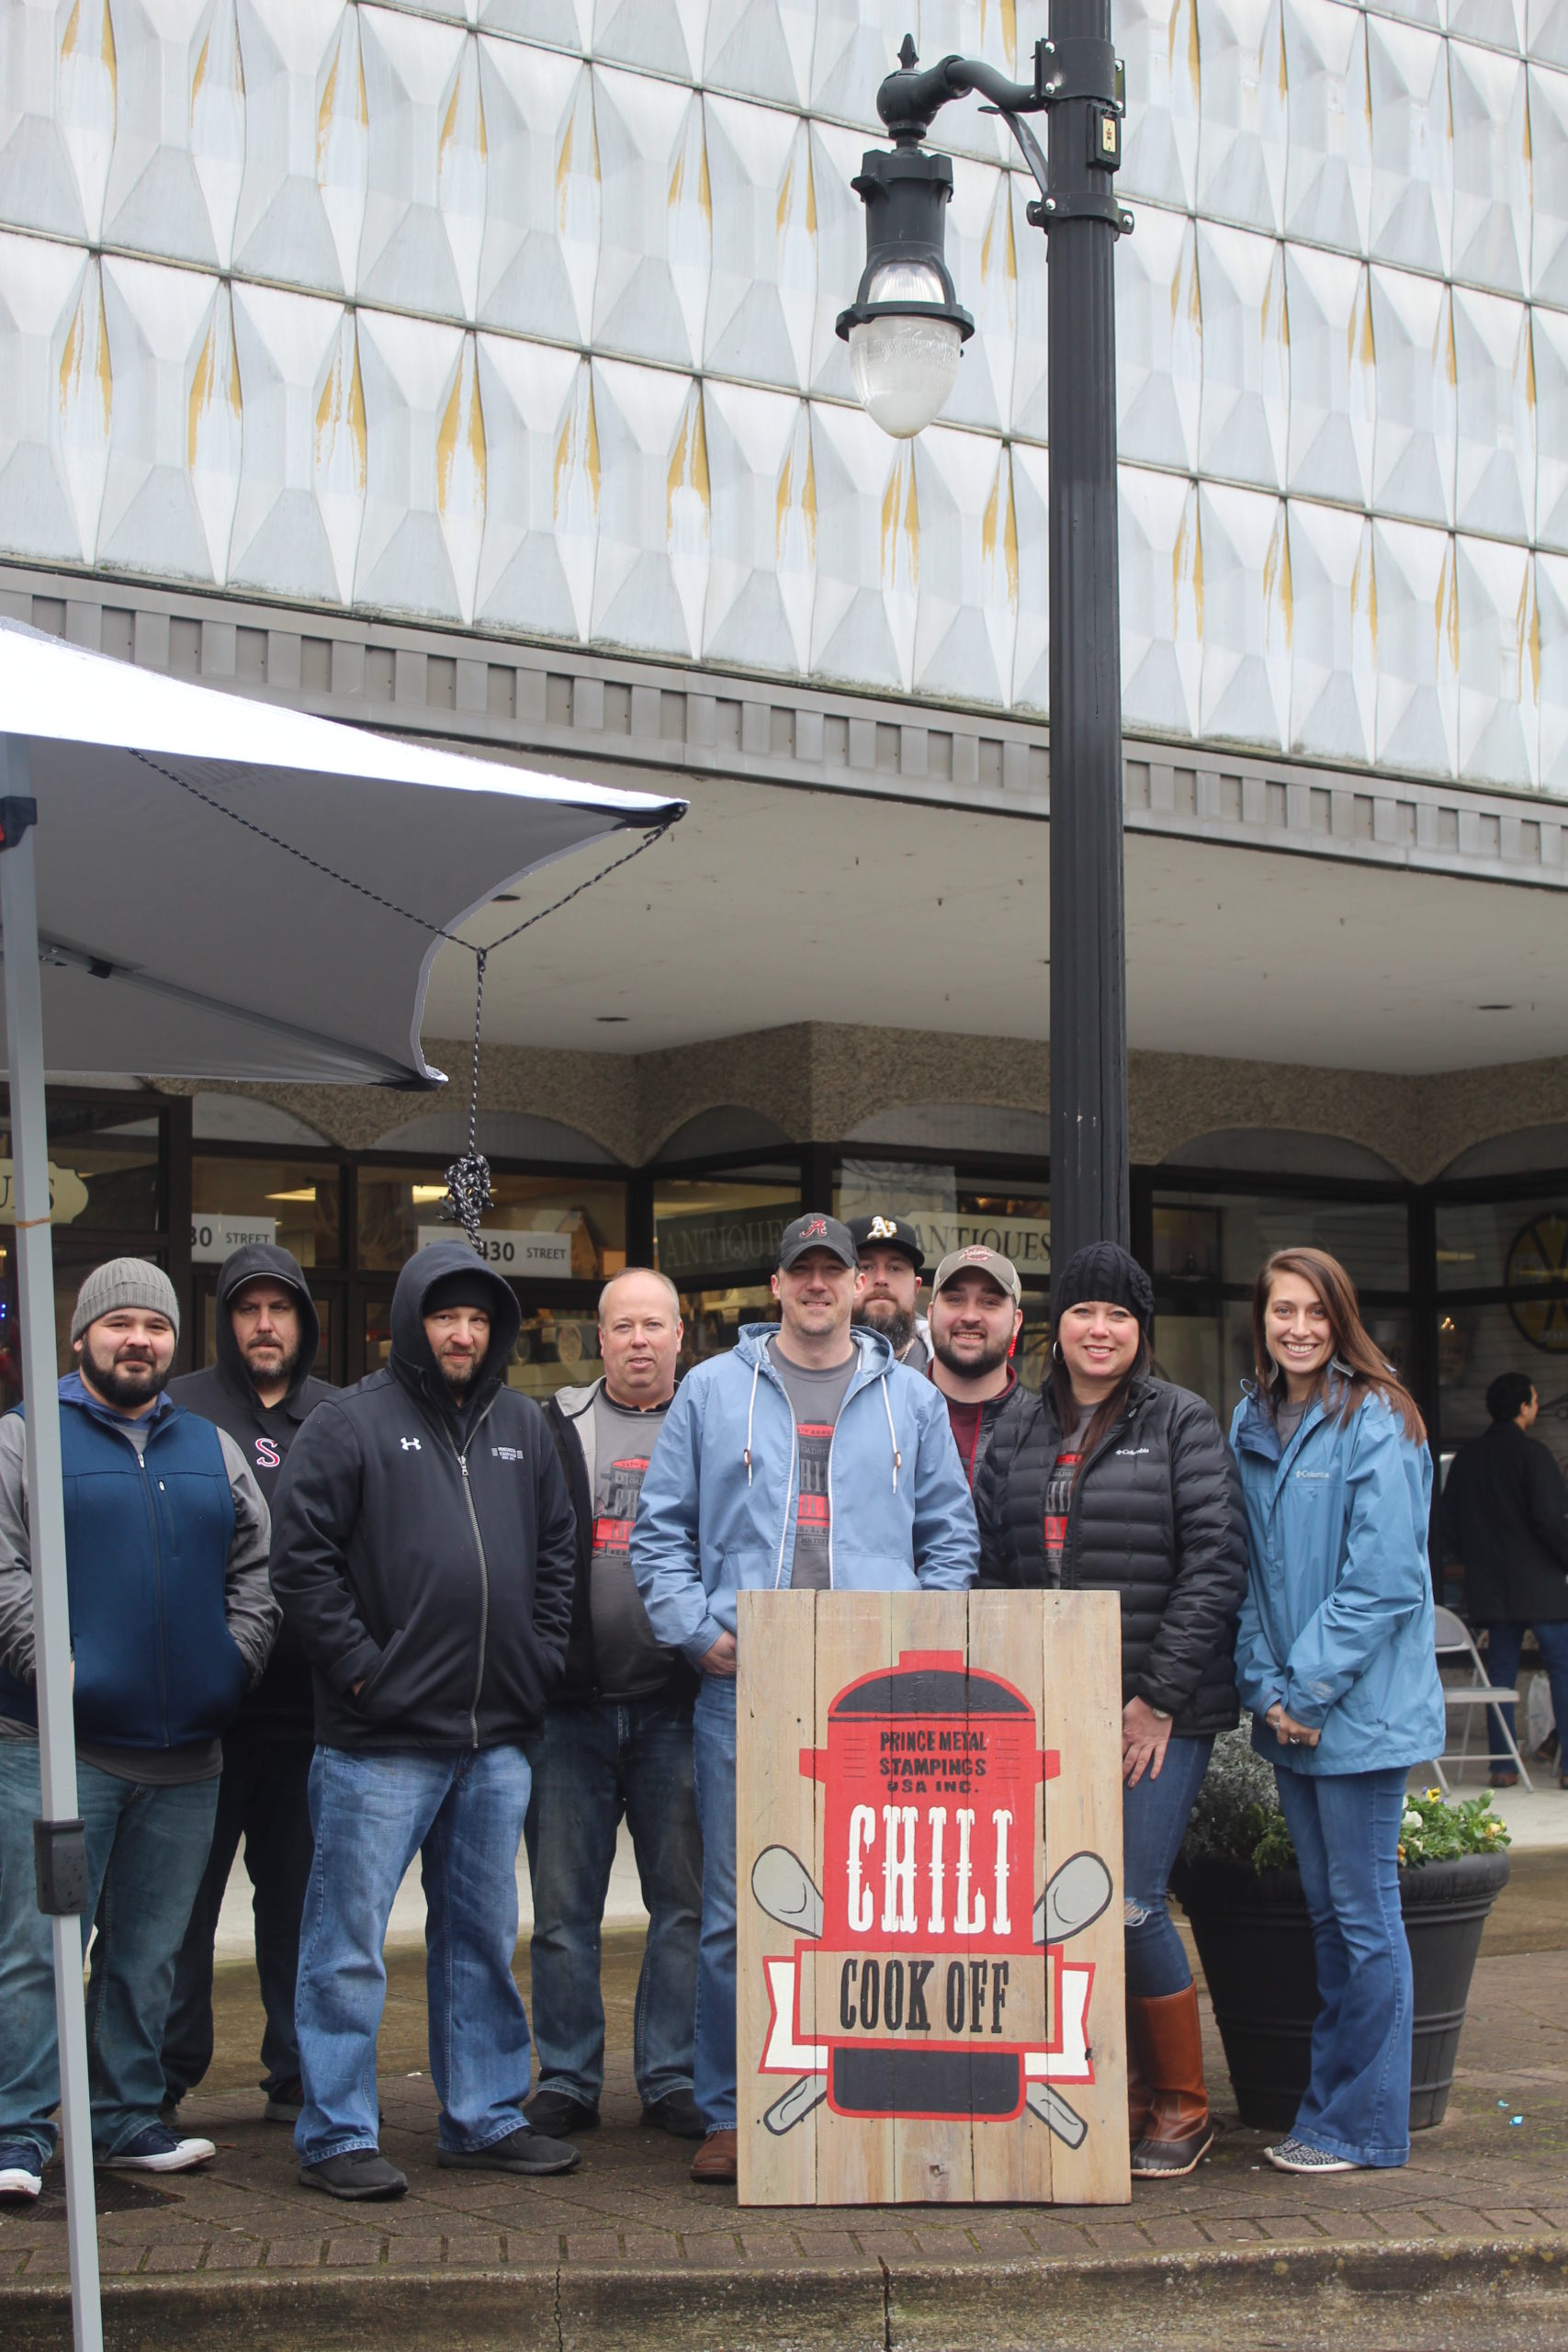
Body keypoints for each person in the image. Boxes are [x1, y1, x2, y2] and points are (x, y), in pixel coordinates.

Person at [632, 1212, 979, 2185]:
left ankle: (863, 2095)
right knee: (737, 1907)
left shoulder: (911, 1397)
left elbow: (951, 1537)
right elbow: (658, 1535)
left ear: (856, 1285)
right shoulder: (711, 1390)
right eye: (804, 1271)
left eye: (836, 1270)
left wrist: (917, 1644)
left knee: (875, 1899)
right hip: (747, 1685)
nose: (820, 1285)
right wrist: (698, 1633)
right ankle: (732, 2110)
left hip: (875, 1692)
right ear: (777, 1286)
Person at [269, 1242, 579, 2201]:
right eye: (446, 1316)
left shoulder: (524, 1425)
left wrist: (537, 1661)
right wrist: (365, 1673)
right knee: (347, 1946)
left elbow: (557, 1553)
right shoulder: (348, 1423)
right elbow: (300, 1563)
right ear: (410, 1321)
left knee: (482, 1939)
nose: (463, 1333)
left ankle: (484, 2116)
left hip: (495, 1740)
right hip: (378, 1742)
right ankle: (335, 2132)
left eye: (479, 1319)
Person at [0, 1260, 276, 2201]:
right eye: (118, 1323)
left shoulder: (209, 1445)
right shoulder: (25, 1436)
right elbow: (4, 1569)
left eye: (154, 1326)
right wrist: (60, 1673)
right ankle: (19, 2127)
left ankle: (121, 2116)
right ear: (82, 1336)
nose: (138, 1340)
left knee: (148, 1950)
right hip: (52, 1748)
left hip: (185, 1754)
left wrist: (232, 1664)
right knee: (37, 1945)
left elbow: (256, 1568)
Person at [976, 1242, 1247, 2179]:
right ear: (1057, 1326)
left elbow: (1215, 1564)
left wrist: (1156, 1700)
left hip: (1159, 1711)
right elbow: (990, 1566)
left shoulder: (1181, 1420)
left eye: (1120, 1315)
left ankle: (1182, 2104)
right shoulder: (1017, 1423)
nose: (1100, 1330)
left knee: (1128, 1900)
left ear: (1141, 1330)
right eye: (1085, 1312)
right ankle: (1117, 2093)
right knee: (1064, 1903)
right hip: (1049, 1709)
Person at [1231, 1246, 1445, 2177]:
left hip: (1357, 1713)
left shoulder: (1377, 1417)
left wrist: (1307, 1691)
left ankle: (1363, 2126)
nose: (1299, 1327)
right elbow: (1245, 1572)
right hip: (1292, 1712)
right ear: (1261, 1319)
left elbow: (1385, 1578)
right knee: (1330, 1919)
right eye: (1283, 1310)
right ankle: (1327, 2114)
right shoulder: (1251, 1417)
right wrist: (1267, 1690)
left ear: (1341, 1318)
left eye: (1316, 1311)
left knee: (1363, 1917)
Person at [524, 1267, 703, 2142]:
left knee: (684, 1906)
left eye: (653, 1325)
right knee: (563, 1913)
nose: (638, 1340)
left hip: (678, 1707)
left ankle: (671, 2075)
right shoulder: (551, 1427)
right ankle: (567, 2078)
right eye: (622, 1326)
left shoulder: (710, 1424)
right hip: (570, 1712)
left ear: (680, 1336)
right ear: (599, 1339)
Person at [162, 1245, 335, 2126]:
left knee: (301, 1908)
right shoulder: (180, 1410)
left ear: (304, 1319)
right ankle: (159, 2078)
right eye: (246, 1308)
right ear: (224, 1320)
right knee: (178, 1910)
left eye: (280, 1308)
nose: (264, 1325)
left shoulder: (342, 1413)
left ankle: (300, 2074)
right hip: (198, 1720)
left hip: (310, 1718)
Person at [1440, 1372, 1568, 1789]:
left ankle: (1503, 1766)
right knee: (1563, 1671)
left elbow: (1448, 1524)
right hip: (1543, 1587)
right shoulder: (1534, 1455)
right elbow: (1550, 1521)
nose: (1537, 1407)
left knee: (1499, 1676)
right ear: (1523, 1407)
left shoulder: (1467, 1459)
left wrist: (1474, 1561)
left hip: (1491, 1586)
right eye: (1535, 1400)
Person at [926, 1243, 1030, 1487]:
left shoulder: (1045, 1428)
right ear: (930, 1314)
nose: (970, 1316)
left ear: (1016, 1323)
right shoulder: (892, 1412)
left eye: (989, 1302)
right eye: (955, 1299)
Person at [848, 1212, 931, 1371]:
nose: (881, 1279)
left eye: (895, 1268)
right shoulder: (813, 1366)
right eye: (866, 1267)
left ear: (916, 1287)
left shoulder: (945, 1364)